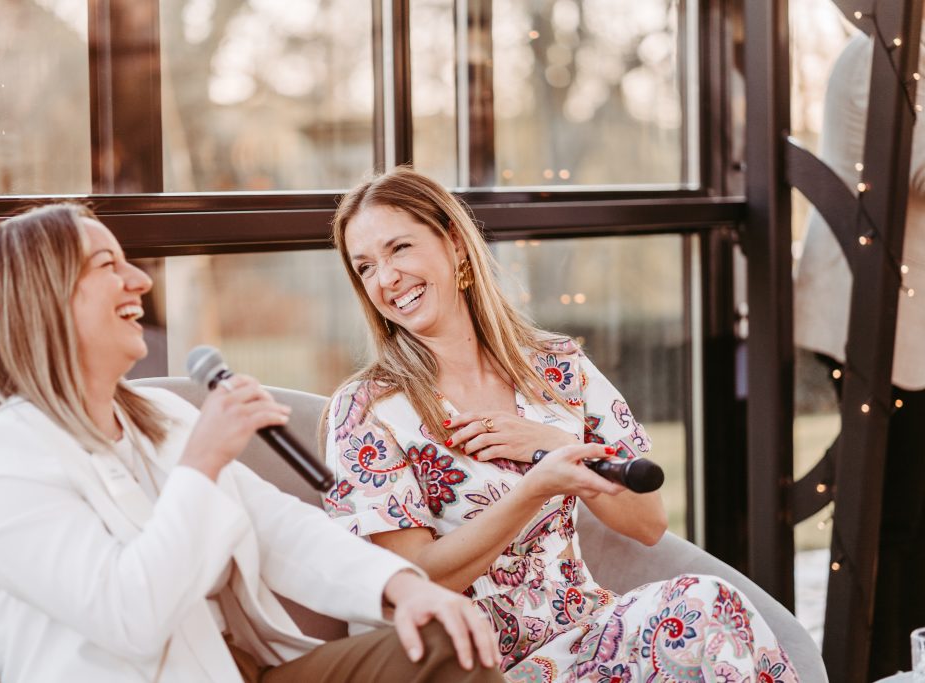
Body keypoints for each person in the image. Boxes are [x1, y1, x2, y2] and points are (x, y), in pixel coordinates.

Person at [0, 203, 503, 683]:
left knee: (451, 639)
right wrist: (202, 462)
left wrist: (405, 587)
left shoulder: (157, 415)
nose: (139, 280)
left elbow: (279, 528)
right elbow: (130, 618)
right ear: (42, 299)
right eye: (107, 266)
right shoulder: (1, 465)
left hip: (240, 667)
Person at [322, 167, 798, 682]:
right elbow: (410, 579)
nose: (386, 279)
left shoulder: (556, 367)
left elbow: (647, 522)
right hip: (474, 665)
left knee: (708, 602)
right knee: (699, 608)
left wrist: (556, 445)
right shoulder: (367, 409)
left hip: (586, 637)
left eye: (400, 249)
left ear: (456, 244)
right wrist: (533, 489)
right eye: (365, 267)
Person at [794, 29, 925, 679]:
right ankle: (878, 663)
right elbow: (914, 169)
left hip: (900, 316)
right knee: (894, 509)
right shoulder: (890, 51)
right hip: (873, 313)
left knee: (908, 505)